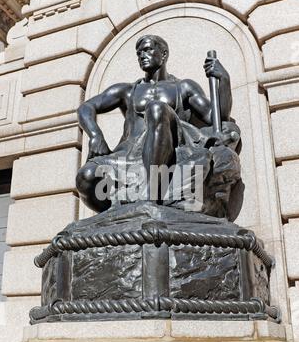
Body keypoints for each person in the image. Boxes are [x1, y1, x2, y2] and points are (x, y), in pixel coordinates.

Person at [76, 35, 241, 218]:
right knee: (87, 176)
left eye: (147, 50)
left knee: (156, 108)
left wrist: (224, 80)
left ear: (164, 54)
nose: (142, 55)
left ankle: (150, 196)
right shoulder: (127, 90)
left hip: (170, 157)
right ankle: (118, 214)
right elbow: (86, 107)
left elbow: (216, 115)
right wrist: (95, 134)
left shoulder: (183, 87)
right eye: (139, 53)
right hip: (130, 158)